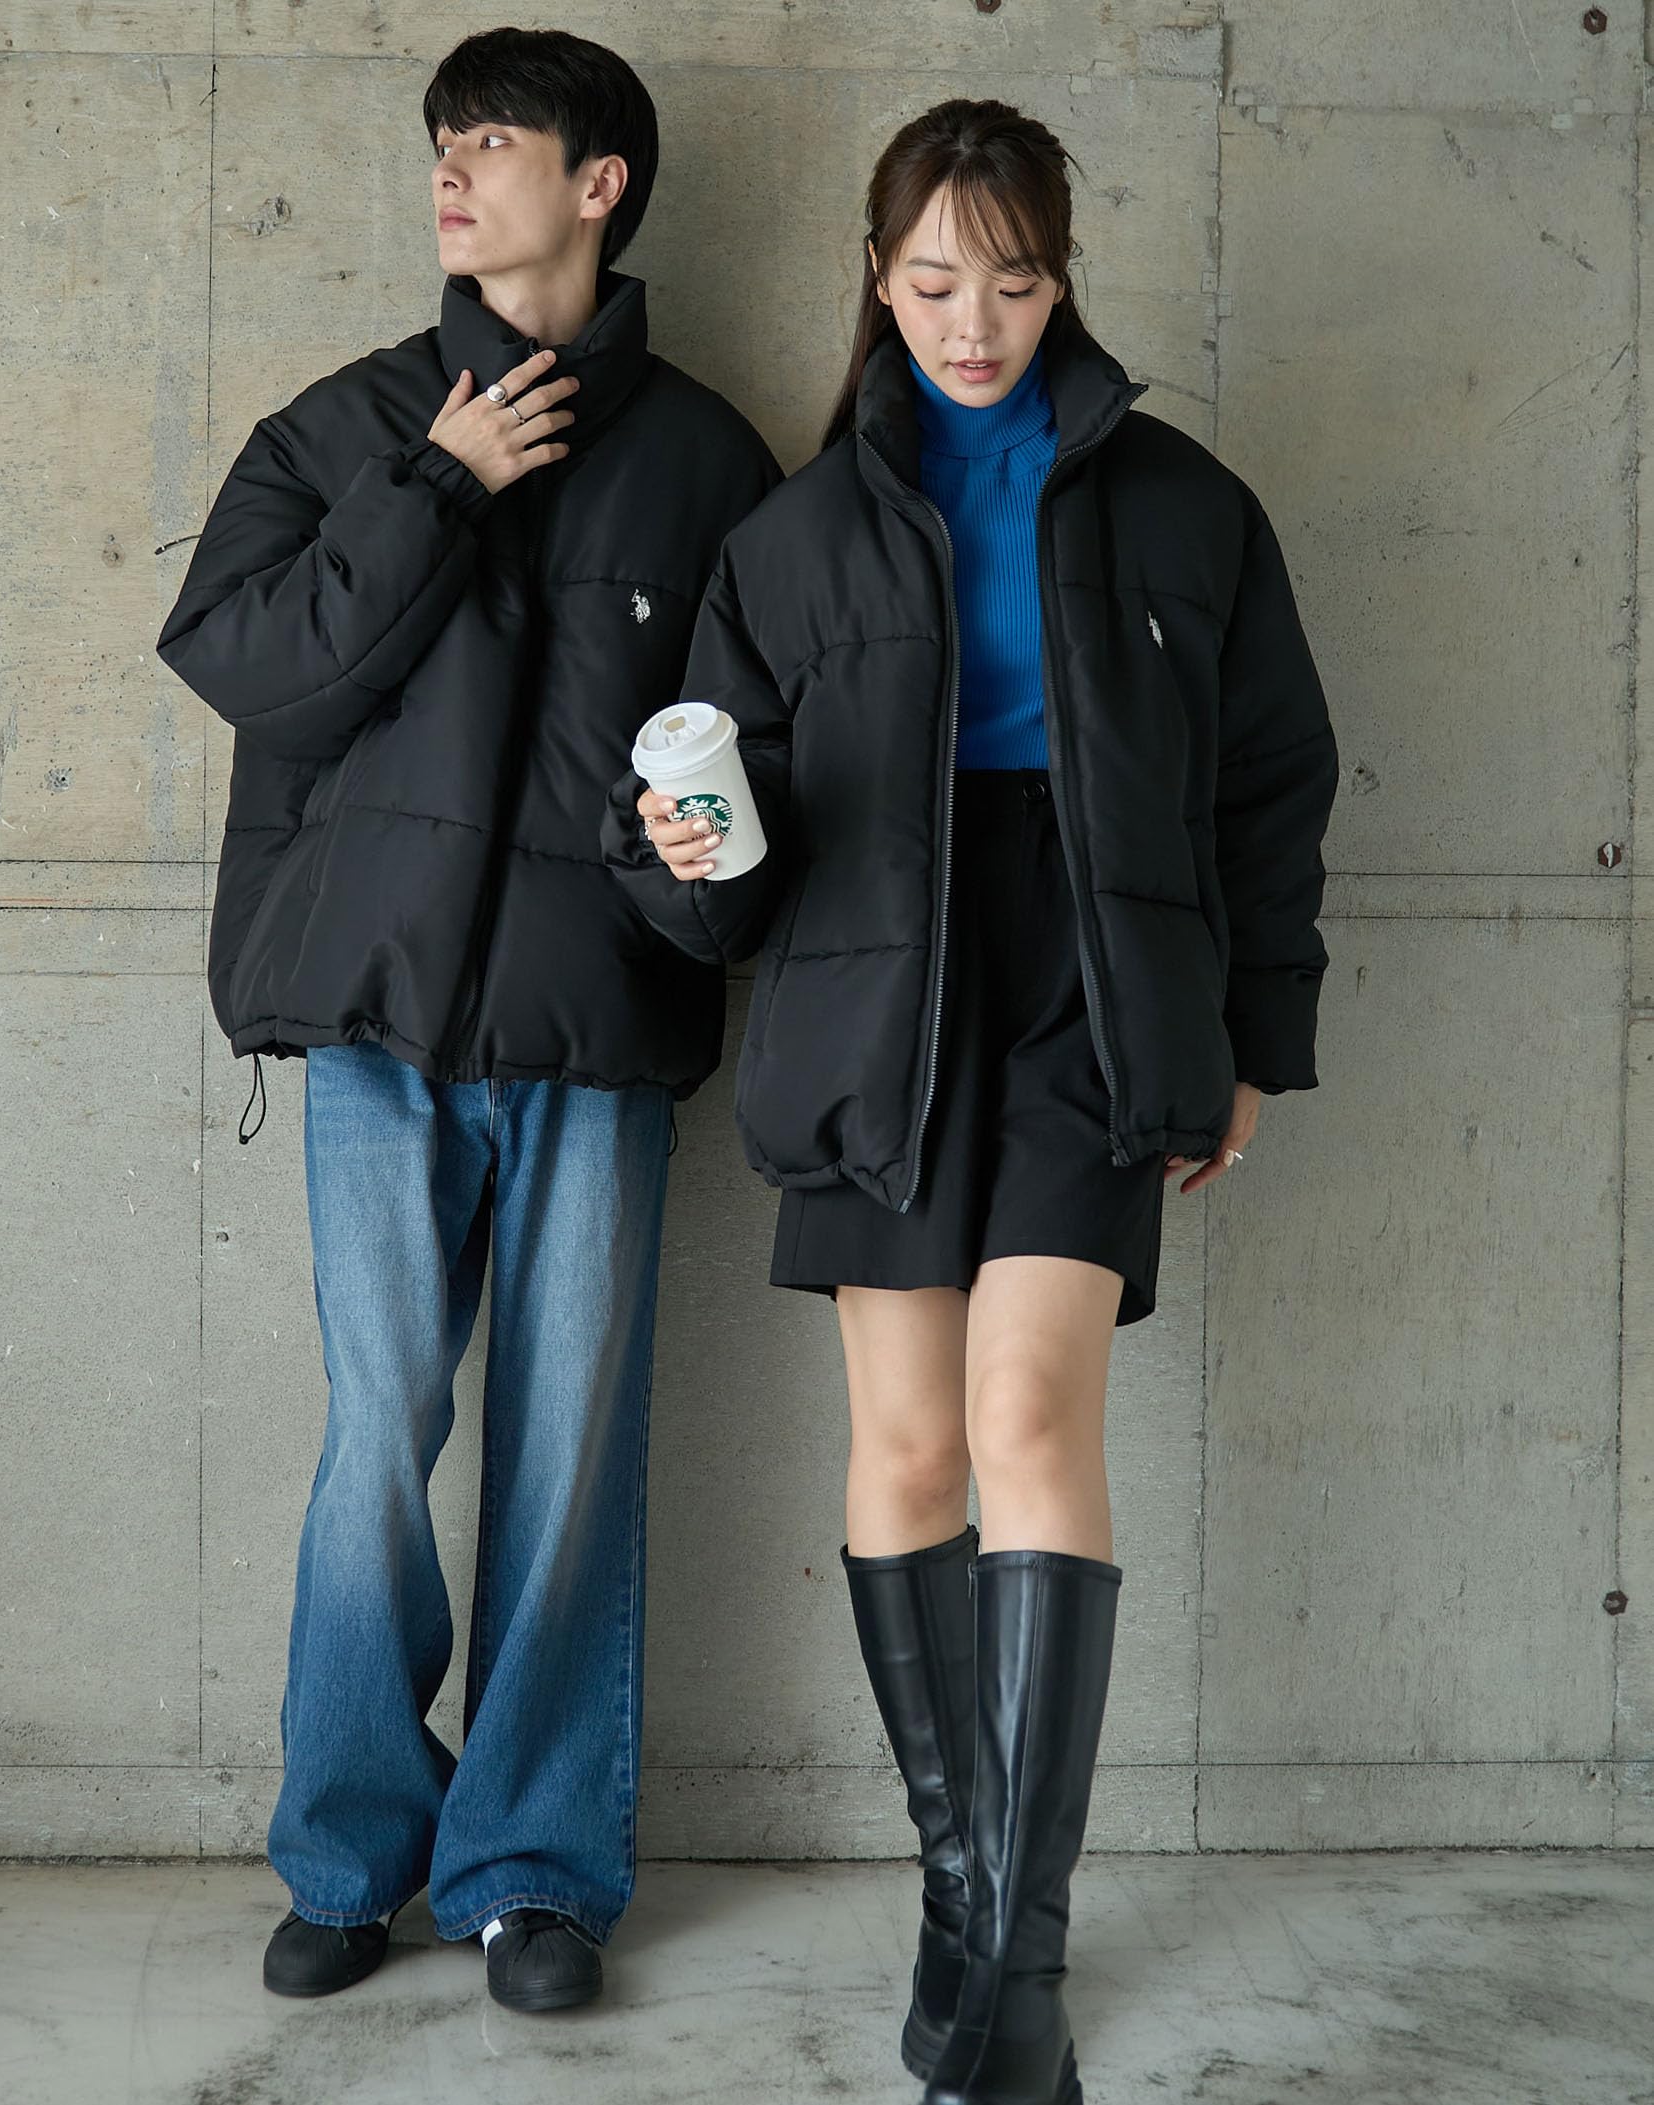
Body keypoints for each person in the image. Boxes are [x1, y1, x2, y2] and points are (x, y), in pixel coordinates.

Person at [606, 97, 1338, 2105]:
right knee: (912, 1447)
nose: (973, 320)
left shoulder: (1183, 505)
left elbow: (1270, 782)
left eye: (1011, 280)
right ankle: (961, 1885)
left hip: (1094, 991)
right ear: (876, 277)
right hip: (875, 996)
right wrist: (686, 850)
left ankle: (1015, 1968)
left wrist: (1255, 1031)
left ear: (1060, 275)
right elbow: (721, 844)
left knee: (1027, 1420)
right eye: (933, 280)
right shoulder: (792, 538)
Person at [157, 26, 779, 2009]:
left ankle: (533, 1876)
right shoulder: (344, 427)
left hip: (597, 1030)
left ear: (599, 183)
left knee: (571, 1462)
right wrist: (437, 484)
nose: (450, 167)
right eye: (441, 137)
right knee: (377, 1442)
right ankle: (348, 1858)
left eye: (492, 139)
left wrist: (703, 866)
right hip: (379, 1024)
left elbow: (766, 766)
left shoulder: (709, 464)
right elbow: (245, 664)